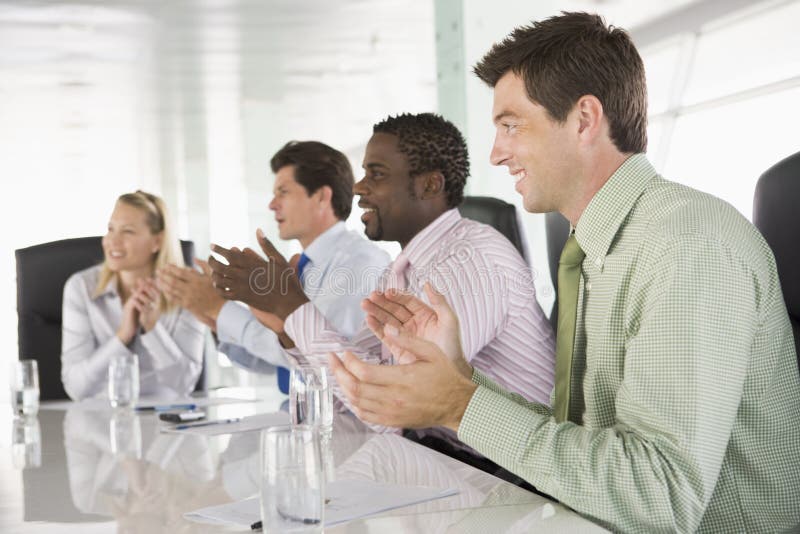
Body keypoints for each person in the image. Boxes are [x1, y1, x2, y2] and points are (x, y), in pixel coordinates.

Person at [327, 12, 800, 533]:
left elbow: (660, 497)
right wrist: (458, 377)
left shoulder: (685, 247)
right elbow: (582, 447)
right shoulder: (592, 250)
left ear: (583, 120)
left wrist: (459, 405)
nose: (496, 152)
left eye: (511, 125)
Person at [207, 113, 556, 455]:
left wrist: (292, 307)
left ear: (429, 185)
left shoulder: (471, 258)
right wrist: (286, 326)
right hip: (445, 461)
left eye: (377, 174)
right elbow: (346, 393)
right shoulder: (403, 269)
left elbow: (395, 407)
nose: (359, 188)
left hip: (510, 478)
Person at [157, 141, 390, 387]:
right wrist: (214, 319)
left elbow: (323, 358)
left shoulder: (359, 263)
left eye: (283, 192)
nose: (272, 204)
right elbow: (282, 360)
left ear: (321, 196)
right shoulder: (305, 266)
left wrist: (220, 309)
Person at [61, 191, 204, 400]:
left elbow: (185, 384)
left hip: (166, 422)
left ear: (157, 241)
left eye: (127, 232)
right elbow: (76, 388)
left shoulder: (187, 288)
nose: (112, 241)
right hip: (100, 422)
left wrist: (153, 329)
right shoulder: (81, 287)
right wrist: (122, 337)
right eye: (111, 229)